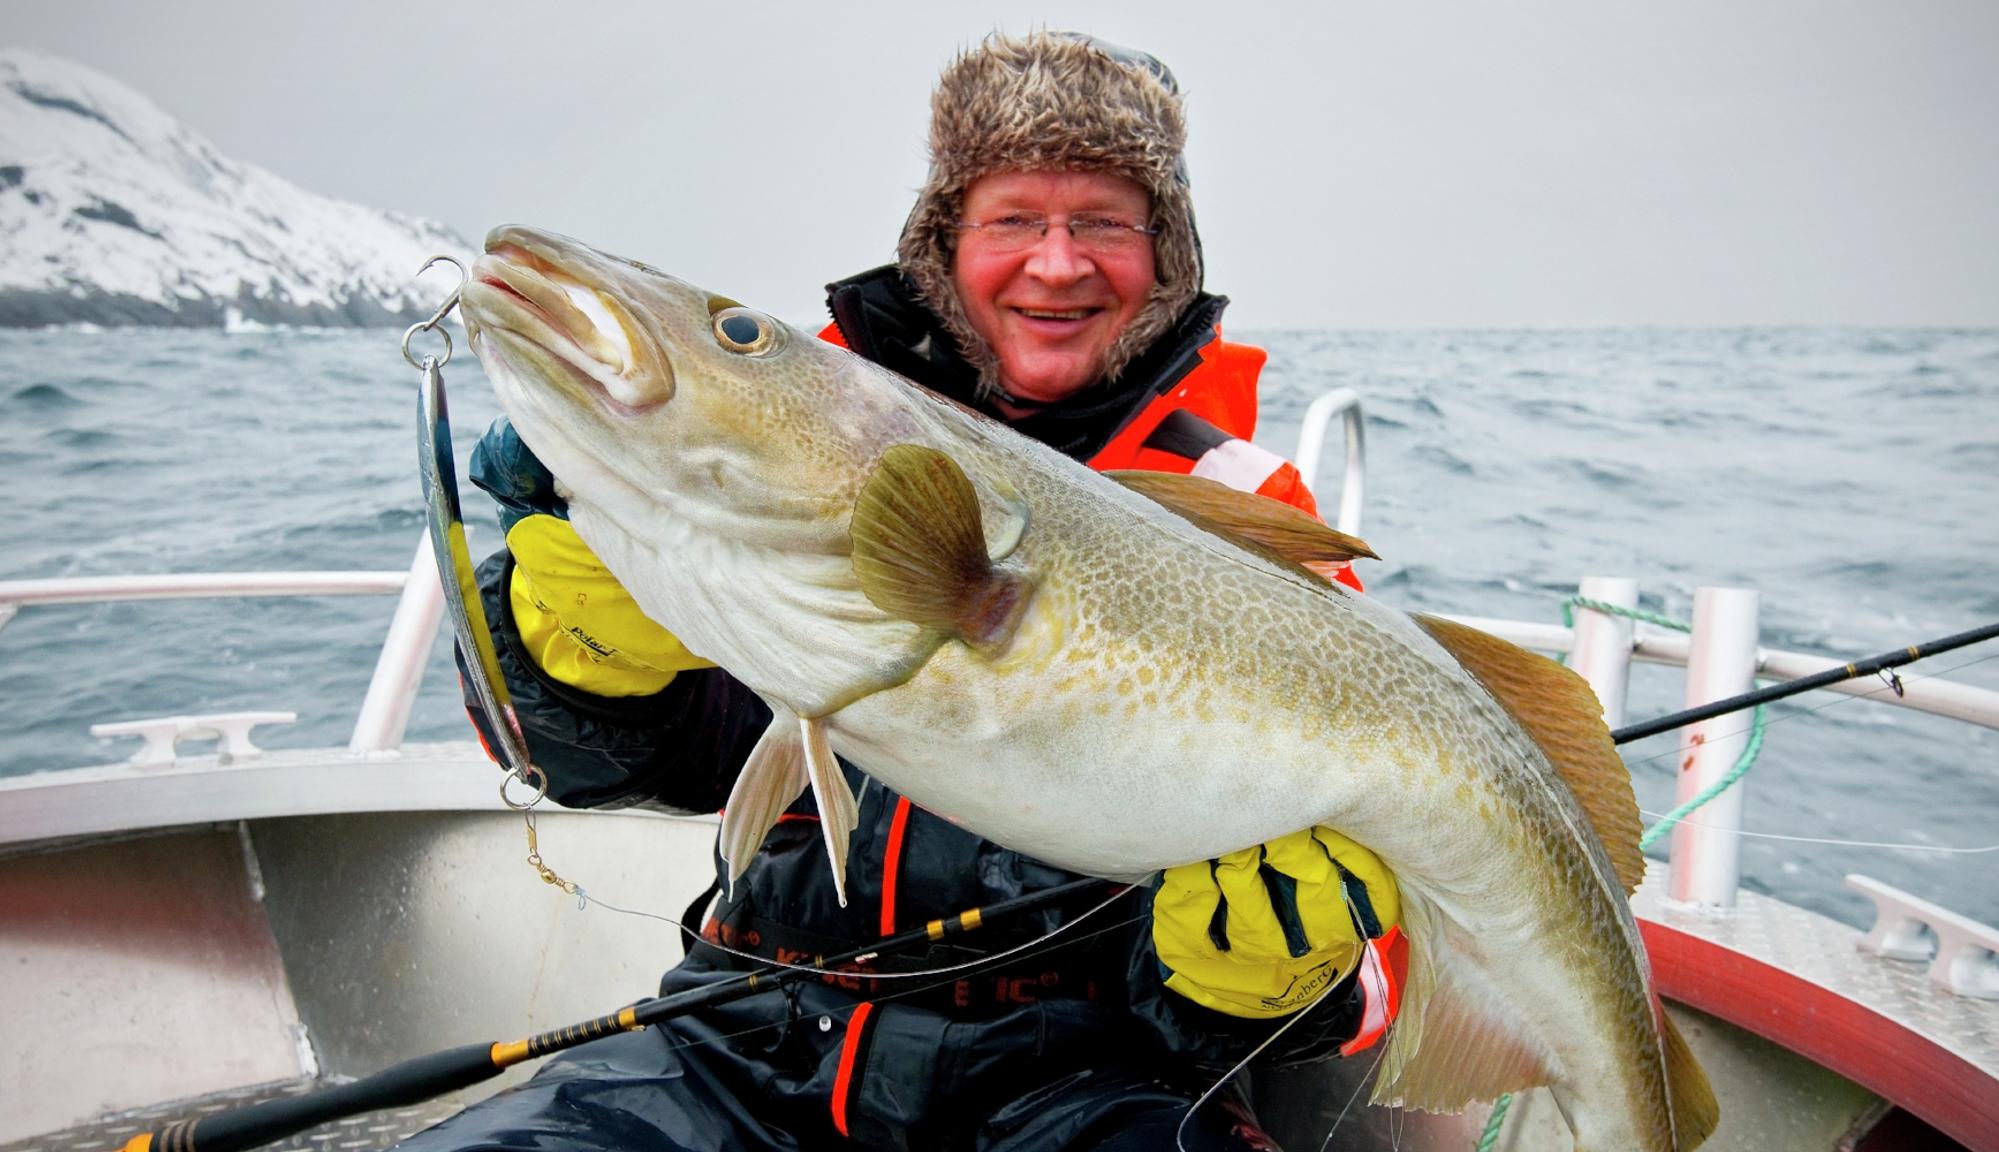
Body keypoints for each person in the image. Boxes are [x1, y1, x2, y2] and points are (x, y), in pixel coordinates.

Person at [415, 31, 1404, 1152]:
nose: (1058, 262)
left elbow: (1377, 952)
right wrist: (578, 663)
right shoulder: (800, 425)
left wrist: (1267, 981)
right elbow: (632, 766)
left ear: (1164, 252)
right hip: (741, 1034)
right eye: (1012, 219)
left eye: (1105, 222)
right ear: (944, 242)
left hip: (1091, 1082)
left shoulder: (1241, 507)